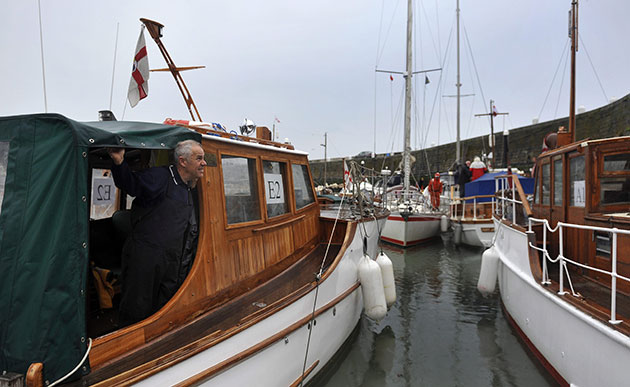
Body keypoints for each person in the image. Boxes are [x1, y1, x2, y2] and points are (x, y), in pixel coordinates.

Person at [108, 139, 206, 326]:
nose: (204, 163)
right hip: (145, 257)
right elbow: (131, 184)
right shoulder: (160, 177)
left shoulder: (188, 186)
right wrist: (119, 162)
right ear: (183, 161)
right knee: (136, 308)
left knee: (164, 307)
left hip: (173, 260)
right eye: (199, 158)